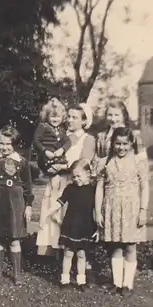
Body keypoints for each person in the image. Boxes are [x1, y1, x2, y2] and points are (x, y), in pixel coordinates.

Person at [95, 127, 149, 297]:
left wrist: (143, 210)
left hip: (131, 208)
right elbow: (99, 187)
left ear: (131, 143)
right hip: (111, 207)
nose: (121, 147)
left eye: (125, 144)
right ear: (113, 143)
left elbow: (145, 186)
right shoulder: (106, 161)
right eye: (117, 143)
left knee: (130, 246)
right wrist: (98, 211)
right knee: (115, 246)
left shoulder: (138, 161)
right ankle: (117, 283)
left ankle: (128, 284)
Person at [36, 102, 96, 256]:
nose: (69, 120)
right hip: (56, 181)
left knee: (70, 219)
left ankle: (77, 260)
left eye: (74, 117)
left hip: (73, 184)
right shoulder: (62, 136)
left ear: (84, 121)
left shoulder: (87, 139)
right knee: (53, 219)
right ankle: (57, 259)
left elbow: (85, 164)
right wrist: (47, 166)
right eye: (68, 116)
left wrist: (63, 167)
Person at [0, 125, 34, 284]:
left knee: (14, 239)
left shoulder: (22, 162)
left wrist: (29, 205)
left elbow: (28, 186)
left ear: (14, 144)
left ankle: (17, 274)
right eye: (2, 143)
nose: (4, 147)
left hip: (16, 204)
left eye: (8, 144)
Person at [40, 159, 98, 291]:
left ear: (88, 173)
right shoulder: (70, 189)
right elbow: (59, 202)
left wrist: (98, 227)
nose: (76, 179)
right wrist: (48, 212)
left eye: (79, 176)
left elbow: (96, 210)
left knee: (82, 254)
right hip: (70, 225)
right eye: (74, 176)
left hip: (86, 226)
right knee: (68, 254)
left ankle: (81, 281)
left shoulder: (92, 190)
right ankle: (65, 280)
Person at [94, 99, 147, 177]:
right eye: (110, 115)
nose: (113, 119)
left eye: (116, 115)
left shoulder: (134, 136)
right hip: (108, 179)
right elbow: (97, 160)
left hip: (129, 179)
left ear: (124, 116)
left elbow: (142, 161)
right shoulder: (101, 137)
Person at [33, 98, 71, 191]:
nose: (55, 119)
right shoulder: (43, 126)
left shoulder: (61, 129)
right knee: (55, 180)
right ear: (47, 116)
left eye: (58, 117)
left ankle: (55, 195)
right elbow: (36, 141)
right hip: (46, 158)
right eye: (52, 117)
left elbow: (68, 141)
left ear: (62, 117)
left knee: (64, 176)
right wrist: (45, 151)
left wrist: (62, 150)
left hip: (58, 158)